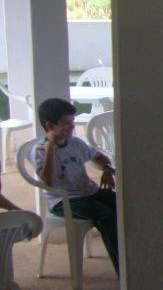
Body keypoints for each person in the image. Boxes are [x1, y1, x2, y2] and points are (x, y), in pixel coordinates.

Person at [32, 98, 118, 275]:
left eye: (72, 121)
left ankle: (133, 256)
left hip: (88, 191)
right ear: (49, 125)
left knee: (123, 205)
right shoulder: (40, 151)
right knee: (106, 216)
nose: (72, 126)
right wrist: (50, 149)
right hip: (64, 200)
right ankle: (123, 270)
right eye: (66, 123)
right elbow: (48, 182)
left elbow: (99, 157)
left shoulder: (75, 143)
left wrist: (107, 170)